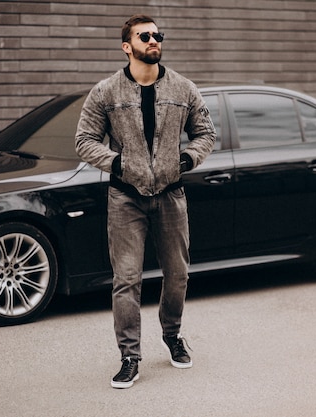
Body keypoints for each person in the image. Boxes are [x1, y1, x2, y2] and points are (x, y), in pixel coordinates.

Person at [74, 14, 216, 389]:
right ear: (127, 46)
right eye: (145, 36)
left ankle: (172, 336)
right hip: (125, 198)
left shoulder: (184, 88)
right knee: (127, 279)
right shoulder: (106, 92)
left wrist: (185, 159)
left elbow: (206, 133)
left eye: (157, 35)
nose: (154, 40)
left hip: (171, 196)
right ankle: (129, 356)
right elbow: (84, 140)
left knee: (178, 274)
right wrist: (118, 162)